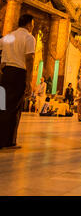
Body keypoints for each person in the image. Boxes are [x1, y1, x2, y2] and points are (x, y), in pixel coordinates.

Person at [0, 14, 36, 149]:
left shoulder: (9, 36)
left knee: (2, 106)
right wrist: (28, 80)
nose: (33, 26)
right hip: (19, 74)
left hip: (6, 74)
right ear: (28, 24)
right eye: (32, 24)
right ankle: (8, 141)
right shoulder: (28, 37)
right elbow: (30, 59)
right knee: (14, 108)